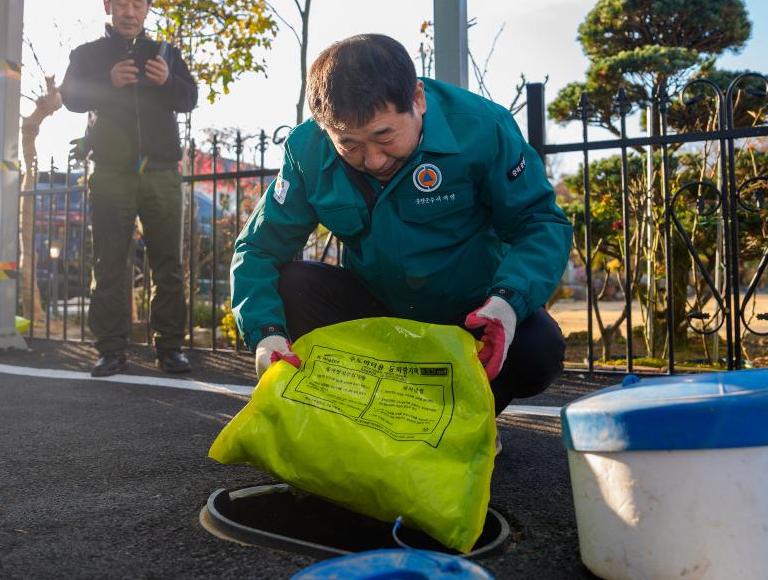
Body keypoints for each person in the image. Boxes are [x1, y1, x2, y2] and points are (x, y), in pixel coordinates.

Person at [230, 34, 572, 416]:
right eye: (350, 145)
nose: (373, 160)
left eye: (384, 136)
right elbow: (257, 249)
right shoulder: (305, 149)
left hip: (469, 314)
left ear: (418, 99)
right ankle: (364, 417)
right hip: (376, 311)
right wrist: (266, 336)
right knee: (292, 284)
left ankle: (469, 420)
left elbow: (539, 223)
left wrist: (507, 303)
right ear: (325, 128)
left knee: (538, 346)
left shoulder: (483, 127)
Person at [61, 0, 198, 377]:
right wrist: (108, 81)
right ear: (107, 6)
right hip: (111, 173)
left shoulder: (166, 52)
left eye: (138, 4)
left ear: (147, 9)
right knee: (109, 263)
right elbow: (69, 96)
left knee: (168, 264)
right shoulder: (87, 55)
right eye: (121, 2)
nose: (130, 11)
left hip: (160, 172)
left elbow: (189, 97)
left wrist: (168, 80)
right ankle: (110, 350)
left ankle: (170, 349)